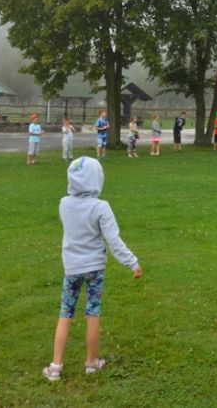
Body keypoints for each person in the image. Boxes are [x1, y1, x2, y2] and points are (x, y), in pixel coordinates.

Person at [41, 157, 143, 381]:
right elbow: (113, 240)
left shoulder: (64, 204)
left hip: (72, 268)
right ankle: (91, 362)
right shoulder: (101, 207)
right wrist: (132, 262)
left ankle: (56, 366)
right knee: (93, 313)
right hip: (95, 268)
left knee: (65, 313)